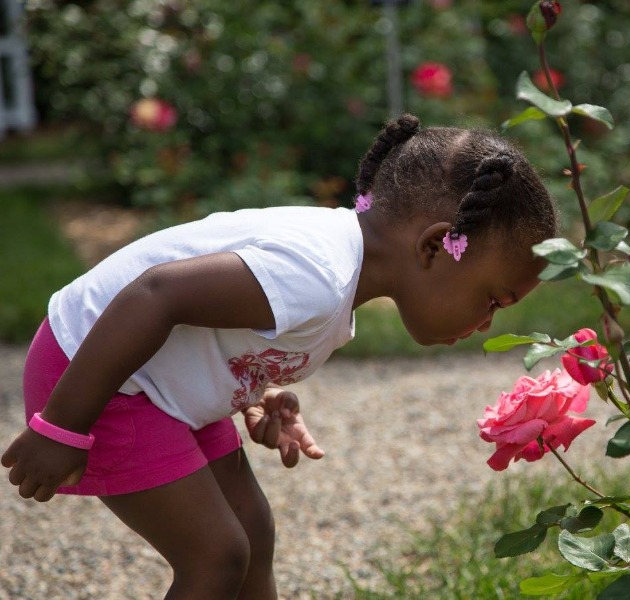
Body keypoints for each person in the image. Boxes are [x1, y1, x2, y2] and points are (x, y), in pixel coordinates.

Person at [1, 114, 558, 599]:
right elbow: (157, 295)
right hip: (96, 373)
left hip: (150, 376)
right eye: (492, 299)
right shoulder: (318, 274)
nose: (487, 322)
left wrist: (250, 389)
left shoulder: (338, 267)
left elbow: (226, 324)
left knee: (253, 530)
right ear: (435, 246)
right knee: (216, 557)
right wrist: (62, 428)